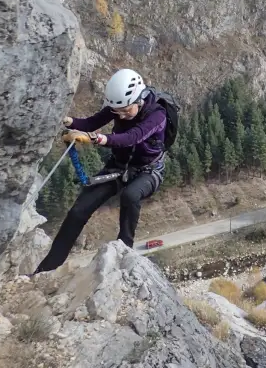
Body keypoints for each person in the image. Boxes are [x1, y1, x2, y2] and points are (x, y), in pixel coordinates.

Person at [34, 68, 167, 274]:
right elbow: (91, 122)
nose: (121, 115)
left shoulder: (157, 114)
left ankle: (124, 253)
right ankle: (47, 268)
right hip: (118, 167)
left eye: (126, 110)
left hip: (148, 171)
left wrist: (97, 139)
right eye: (117, 111)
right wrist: (67, 120)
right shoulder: (118, 107)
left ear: (140, 99)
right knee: (79, 209)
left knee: (131, 196)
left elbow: (133, 136)